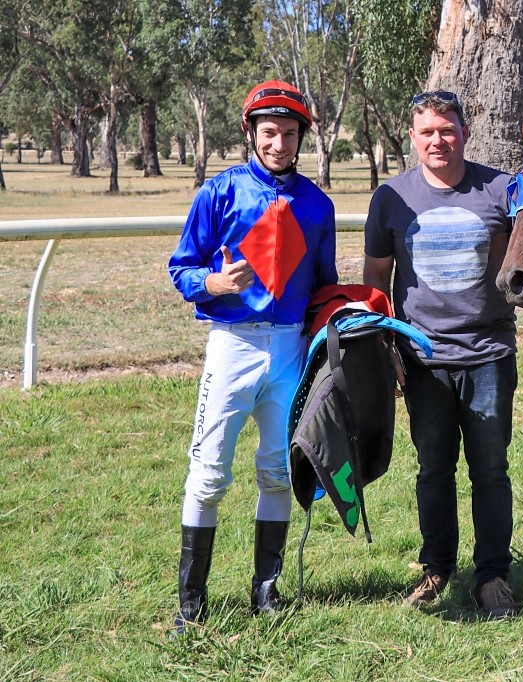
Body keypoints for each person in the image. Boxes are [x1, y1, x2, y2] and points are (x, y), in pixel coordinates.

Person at [167, 80, 338, 635]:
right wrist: (214, 281)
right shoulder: (218, 193)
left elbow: (325, 285)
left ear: (300, 137)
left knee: (277, 471)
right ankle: (190, 604)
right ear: (250, 132)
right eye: (269, 133)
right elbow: (181, 268)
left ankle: (266, 593)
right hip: (232, 343)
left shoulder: (318, 204)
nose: (279, 143)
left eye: (289, 134)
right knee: (209, 473)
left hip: (289, 345)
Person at [362, 90, 519, 619]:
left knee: (491, 468)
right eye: (427, 131)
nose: (438, 140)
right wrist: (386, 345)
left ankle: (493, 576)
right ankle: (436, 570)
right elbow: (376, 280)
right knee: (434, 469)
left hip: (488, 353)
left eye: (447, 129)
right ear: (413, 137)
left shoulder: (500, 189)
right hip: (423, 359)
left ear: (464, 133)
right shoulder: (391, 198)